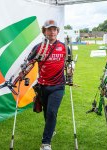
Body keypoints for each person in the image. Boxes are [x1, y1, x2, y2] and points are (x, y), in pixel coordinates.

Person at [27, 19, 69, 150]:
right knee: (47, 112)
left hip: (58, 86)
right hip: (43, 86)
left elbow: (69, 63)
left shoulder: (63, 47)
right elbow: (29, 63)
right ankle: (51, 129)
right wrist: (23, 72)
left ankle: (46, 143)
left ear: (57, 31)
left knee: (51, 111)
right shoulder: (38, 47)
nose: (52, 32)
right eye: (49, 29)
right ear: (44, 31)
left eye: (54, 29)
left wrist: (71, 69)